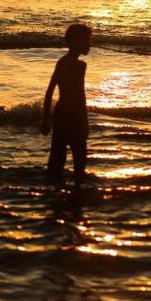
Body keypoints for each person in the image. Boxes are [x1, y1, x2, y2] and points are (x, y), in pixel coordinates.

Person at [40, 24, 92, 185]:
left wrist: (46, 118)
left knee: (59, 158)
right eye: (86, 41)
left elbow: (50, 91)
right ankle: (74, 193)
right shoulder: (73, 65)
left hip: (64, 113)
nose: (89, 45)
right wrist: (84, 121)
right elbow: (76, 96)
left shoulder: (66, 62)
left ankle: (55, 190)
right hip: (72, 115)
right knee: (76, 159)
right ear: (74, 43)